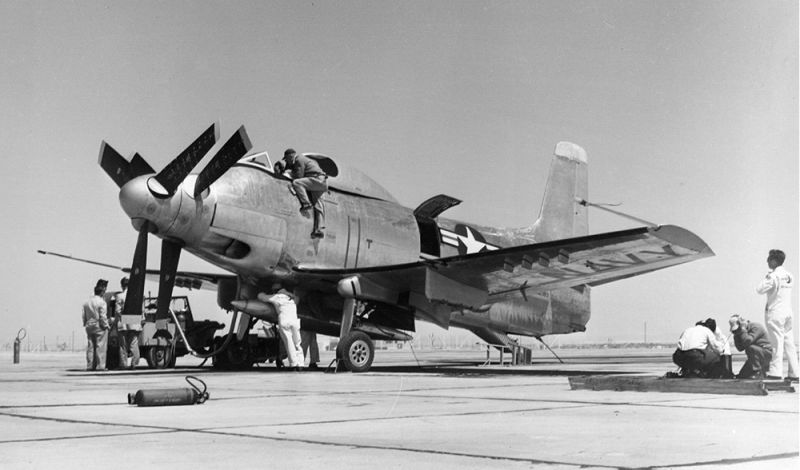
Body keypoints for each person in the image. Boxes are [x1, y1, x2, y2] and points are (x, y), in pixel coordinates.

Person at [756, 249, 799, 382]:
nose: (767, 261)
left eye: (769, 259)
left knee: (776, 343)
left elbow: (759, 289)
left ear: (774, 261)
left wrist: (767, 276)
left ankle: (775, 372)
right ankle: (795, 373)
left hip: (776, 312)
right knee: (789, 344)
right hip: (788, 312)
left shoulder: (773, 276)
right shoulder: (789, 275)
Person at [275, 148, 329, 238]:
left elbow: (299, 176)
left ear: (291, 156)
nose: (286, 161)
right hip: (322, 182)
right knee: (318, 206)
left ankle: (306, 204)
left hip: (317, 179)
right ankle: (318, 229)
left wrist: (286, 172)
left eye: (286, 159)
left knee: (297, 183)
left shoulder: (299, 160)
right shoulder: (301, 160)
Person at [258, 285, 304, 370]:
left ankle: (293, 364)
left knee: (289, 343)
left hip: (284, 321)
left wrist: (261, 291)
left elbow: (262, 297)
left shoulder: (277, 297)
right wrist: (288, 293)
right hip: (294, 321)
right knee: (297, 343)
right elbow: (298, 298)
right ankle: (301, 364)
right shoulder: (293, 298)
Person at [729, 314, 773, 379]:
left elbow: (747, 341)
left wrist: (743, 329)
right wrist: (736, 335)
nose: (737, 331)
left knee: (750, 348)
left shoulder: (756, 327)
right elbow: (740, 348)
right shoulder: (742, 332)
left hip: (766, 354)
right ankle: (757, 371)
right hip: (755, 357)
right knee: (741, 376)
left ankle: (757, 372)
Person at [114, 277, 142, 369]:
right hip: (135, 321)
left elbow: (118, 311)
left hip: (124, 322)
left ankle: (123, 364)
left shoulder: (119, 296)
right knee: (134, 344)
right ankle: (135, 363)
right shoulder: (138, 296)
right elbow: (141, 310)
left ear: (122, 285)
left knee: (123, 345)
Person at [82, 279, 110, 371]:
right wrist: (106, 326)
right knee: (100, 346)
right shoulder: (102, 302)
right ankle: (100, 366)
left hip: (89, 326)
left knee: (90, 347)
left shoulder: (86, 302)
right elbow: (103, 317)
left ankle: (90, 366)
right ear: (102, 291)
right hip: (99, 326)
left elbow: (84, 316)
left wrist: (85, 323)